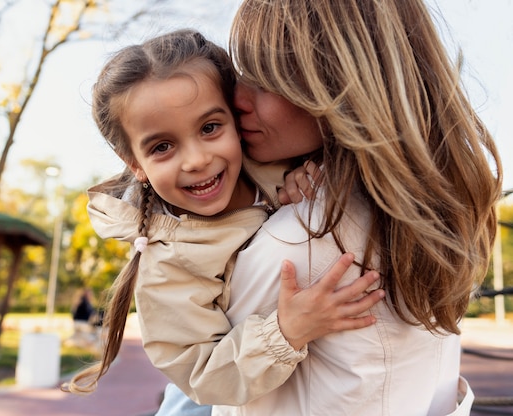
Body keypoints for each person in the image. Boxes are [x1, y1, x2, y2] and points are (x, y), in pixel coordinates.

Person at [188, 0, 500, 414]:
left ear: (339, 87)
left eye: (267, 82)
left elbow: (209, 385)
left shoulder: (299, 242)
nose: (237, 101)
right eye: (239, 77)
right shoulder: (431, 213)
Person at [64, 29, 384, 405]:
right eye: (162, 147)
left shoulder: (272, 163)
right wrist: (287, 331)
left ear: (235, 117)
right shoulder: (168, 263)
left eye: (210, 128)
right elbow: (201, 375)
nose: (197, 159)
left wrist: (310, 171)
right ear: (135, 163)